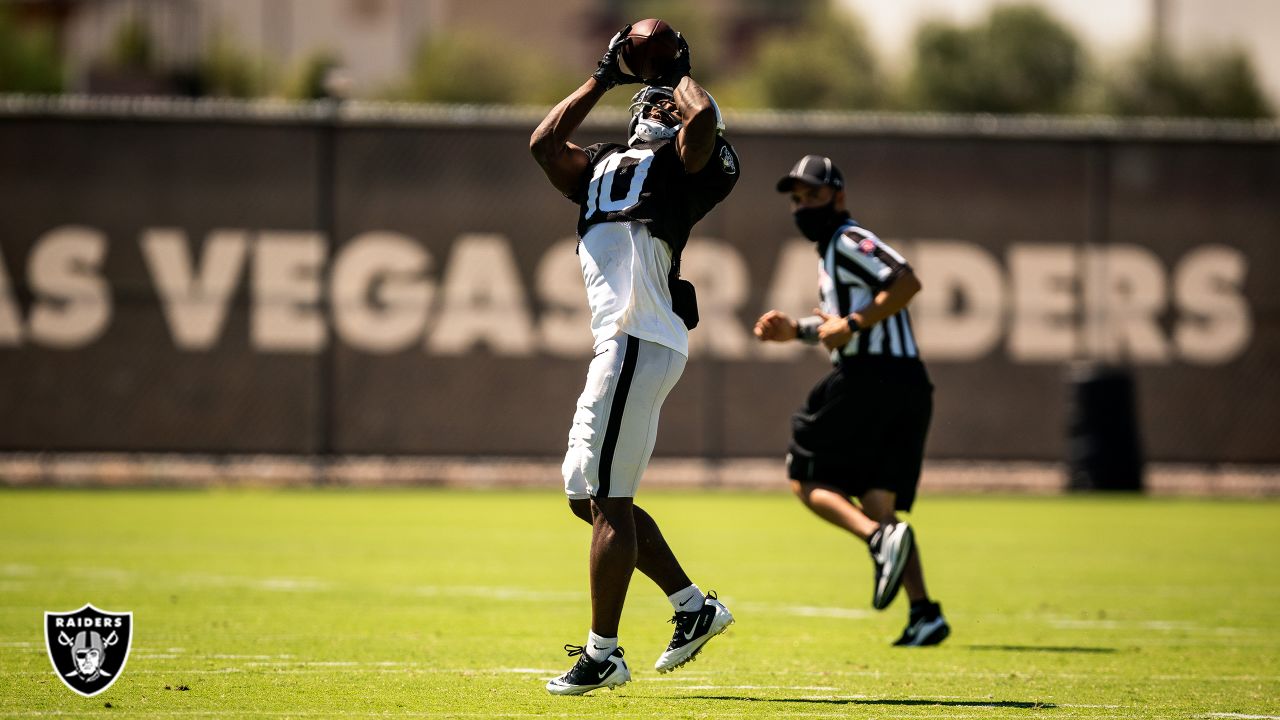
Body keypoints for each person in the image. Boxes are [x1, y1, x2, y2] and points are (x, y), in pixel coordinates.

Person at [529, 24, 741, 695]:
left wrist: (673, 71)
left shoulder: (686, 165)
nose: (654, 109)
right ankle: (692, 607)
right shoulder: (600, 165)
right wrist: (603, 76)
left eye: (663, 103)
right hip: (616, 341)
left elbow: (702, 117)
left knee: (611, 503)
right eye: (646, 104)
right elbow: (542, 145)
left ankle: (604, 653)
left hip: (641, 335)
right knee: (584, 498)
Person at [753, 155, 950, 647]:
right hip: (907, 386)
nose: (802, 207)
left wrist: (854, 324)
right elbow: (841, 324)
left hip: (870, 381)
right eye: (796, 199)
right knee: (879, 502)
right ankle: (924, 611)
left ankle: (876, 541)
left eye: (813, 196)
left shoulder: (845, 240)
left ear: (838, 197)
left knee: (804, 477)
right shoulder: (832, 252)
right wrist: (795, 331)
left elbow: (905, 280)